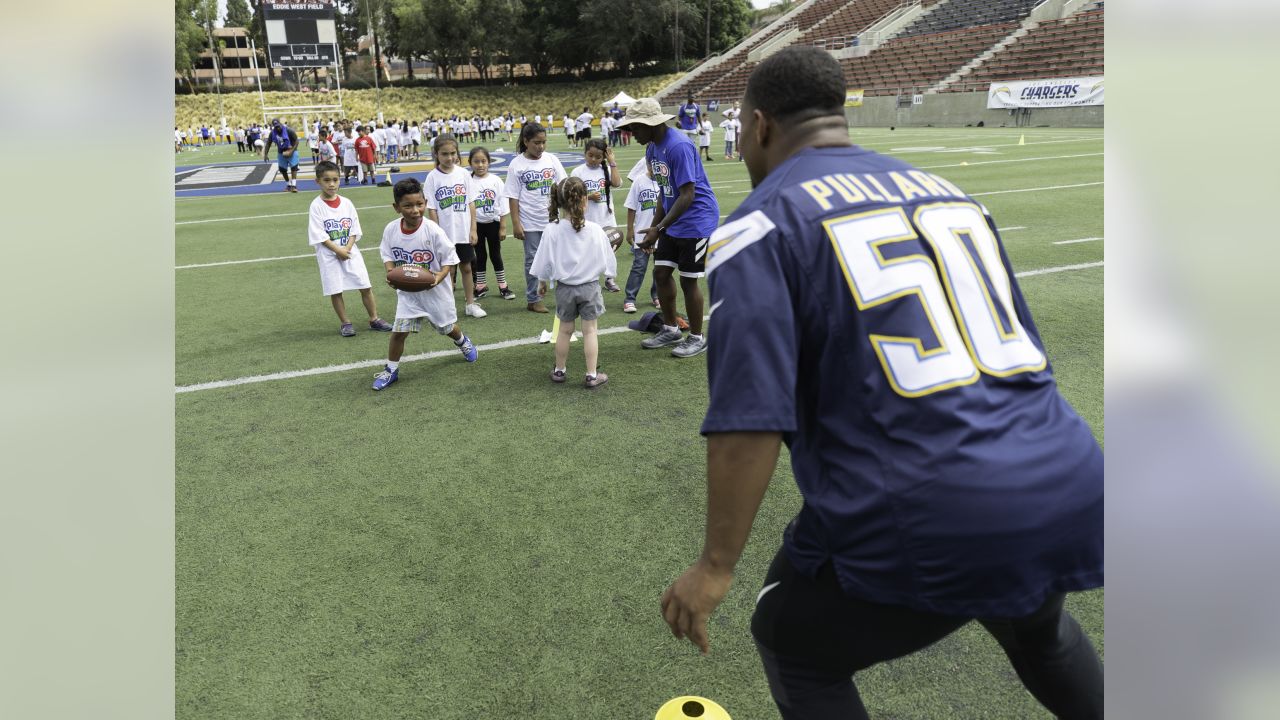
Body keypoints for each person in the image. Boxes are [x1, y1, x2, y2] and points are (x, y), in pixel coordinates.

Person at [658, 46, 1104, 720]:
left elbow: (750, 418)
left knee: (791, 642)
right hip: (1061, 469)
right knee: (1036, 630)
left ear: (758, 125)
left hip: (941, 501)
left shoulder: (759, 224)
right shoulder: (950, 192)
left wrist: (715, 566)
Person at [616, 97, 719, 358]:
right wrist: (654, 228)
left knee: (688, 280)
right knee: (661, 274)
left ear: (650, 125)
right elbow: (665, 191)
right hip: (674, 220)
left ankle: (697, 337)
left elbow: (687, 194)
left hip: (697, 220)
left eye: (635, 128)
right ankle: (672, 329)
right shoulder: (652, 148)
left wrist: (659, 228)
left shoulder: (679, 147)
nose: (631, 133)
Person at [373, 177, 479, 391]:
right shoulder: (391, 230)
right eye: (408, 205)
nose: (415, 210)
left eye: (419, 204)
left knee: (447, 328)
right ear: (396, 207)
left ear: (425, 202)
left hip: (435, 293)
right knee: (399, 332)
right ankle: (391, 369)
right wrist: (391, 273)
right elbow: (387, 254)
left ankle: (462, 340)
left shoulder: (433, 230)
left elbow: (450, 259)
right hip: (409, 294)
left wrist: (436, 279)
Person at [529, 177, 617, 389]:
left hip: (565, 289)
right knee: (590, 332)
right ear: (585, 200)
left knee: (564, 331)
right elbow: (608, 261)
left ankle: (559, 370)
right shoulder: (596, 229)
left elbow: (544, 259)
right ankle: (591, 374)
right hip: (590, 288)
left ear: (558, 202)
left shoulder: (552, 229)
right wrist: (609, 276)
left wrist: (542, 281)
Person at [307, 161, 393, 337]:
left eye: (335, 180)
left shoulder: (346, 203)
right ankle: (345, 323)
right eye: (326, 180)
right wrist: (337, 250)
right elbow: (319, 234)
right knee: (335, 289)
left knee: (365, 285)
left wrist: (347, 247)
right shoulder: (316, 206)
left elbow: (354, 228)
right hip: (329, 255)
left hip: (350, 251)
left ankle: (374, 318)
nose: (331, 184)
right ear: (318, 182)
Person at [505, 122, 569, 313]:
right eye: (536, 143)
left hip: (553, 219)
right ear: (525, 141)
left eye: (543, 142)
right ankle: (533, 299)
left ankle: (561, 294)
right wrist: (516, 223)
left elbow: (563, 186)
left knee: (556, 258)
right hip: (530, 221)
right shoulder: (517, 164)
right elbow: (513, 196)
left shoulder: (551, 159)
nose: (541, 147)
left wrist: (566, 215)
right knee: (532, 260)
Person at [423, 133, 485, 319]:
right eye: (444, 154)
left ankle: (470, 304)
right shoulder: (432, 178)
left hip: (463, 232)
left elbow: (471, 204)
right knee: (447, 271)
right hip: (444, 234)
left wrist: (473, 229)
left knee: (466, 268)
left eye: (452, 153)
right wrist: (438, 234)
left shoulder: (464, 174)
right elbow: (432, 209)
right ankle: (447, 307)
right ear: (436, 154)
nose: (449, 158)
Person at [571, 138, 623, 293]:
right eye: (590, 155)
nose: (593, 159)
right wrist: (588, 196)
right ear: (585, 153)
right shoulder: (578, 171)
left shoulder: (605, 169)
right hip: (587, 218)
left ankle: (609, 278)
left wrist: (612, 162)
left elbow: (617, 183)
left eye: (598, 157)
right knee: (586, 250)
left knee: (609, 249)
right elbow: (572, 195)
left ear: (603, 157)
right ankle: (587, 278)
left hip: (606, 217)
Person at [468, 147, 516, 301]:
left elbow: (503, 204)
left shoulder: (495, 180)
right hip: (476, 226)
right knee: (480, 256)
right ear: (470, 163)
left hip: (493, 223)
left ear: (489, 162)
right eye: (476, 161)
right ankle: (480, 286)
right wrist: (471, 228)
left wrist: (503, 227)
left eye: (483, 161)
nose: (480, 165)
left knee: (496, 255)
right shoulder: (468, 181)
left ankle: (503, 286)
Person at [622, 159, 662, 313]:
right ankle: (630, 299)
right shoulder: (639, 181)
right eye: (652, 165)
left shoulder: (665, 182)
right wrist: (630, 229)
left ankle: (657, 295)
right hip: (642, 233)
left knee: (660, 268)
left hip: (661, 234)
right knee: (639, 267)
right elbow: (631, 207)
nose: (655, 169)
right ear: (648, 165)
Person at [263, 118, 301, 193]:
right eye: (276, 127)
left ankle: (294, 185)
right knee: (282, 170)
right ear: (274, 126)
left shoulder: (289, 130)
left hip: (292, 150)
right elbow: (268, 144)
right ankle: (288, 185)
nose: (278, 128)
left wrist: (291, 151)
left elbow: (297, 141)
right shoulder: (272, 133)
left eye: (278, 126)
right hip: (281, 152)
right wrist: (265, 154)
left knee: (294, 168)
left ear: (280, 124)